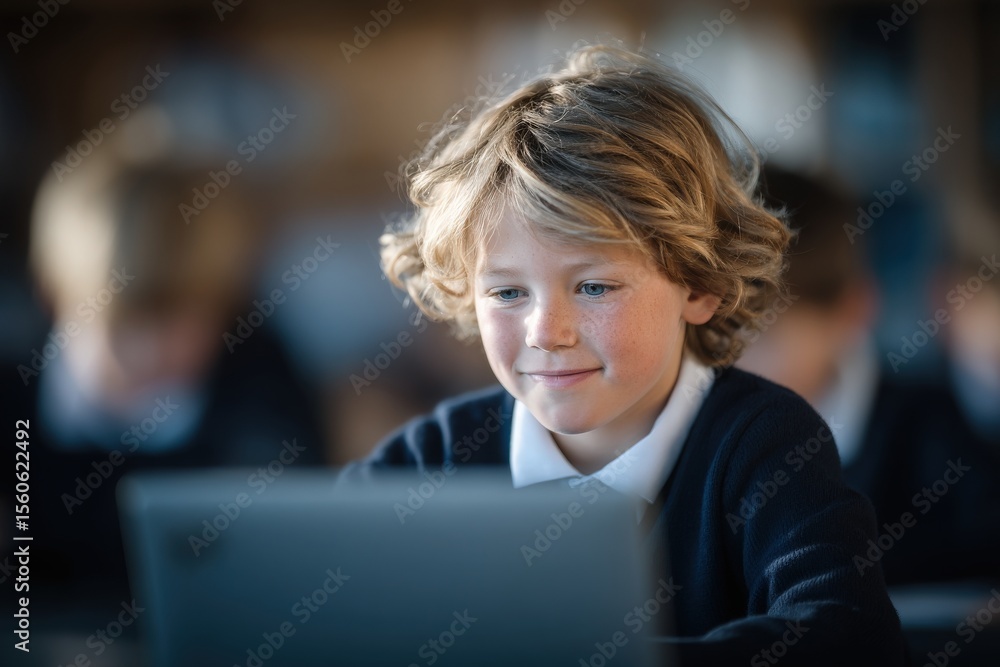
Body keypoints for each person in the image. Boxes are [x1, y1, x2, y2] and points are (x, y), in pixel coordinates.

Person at [346, 45, 907, 665]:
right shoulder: (436, 458)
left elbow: (851, 640)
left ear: (700, 285)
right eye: (507, 292)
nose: (545, 331)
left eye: (594, 287)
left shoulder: (766, 444)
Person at [739, 166, 1000, 585]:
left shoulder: (943, 445)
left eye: (763, 336)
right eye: (712, 336)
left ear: (851, 311)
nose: (729, 362)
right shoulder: (683, 438)